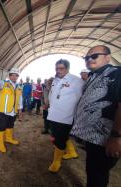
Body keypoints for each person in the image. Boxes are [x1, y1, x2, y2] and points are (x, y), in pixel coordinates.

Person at [71, 45, 121, 187]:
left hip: (106, 137)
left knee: (98, 174)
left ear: (108, 57)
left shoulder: (116, 74)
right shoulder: (93, 76)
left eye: (94, 56)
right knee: (93, 170)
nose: (89, 59)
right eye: (86, 57)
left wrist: (116, 137)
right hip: (93, 138)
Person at [47, 59, 84, 173]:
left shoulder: (77, 81)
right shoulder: (55, 80)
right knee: (61, 136)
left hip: (65, 117)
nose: (58, 71)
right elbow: (52, 95)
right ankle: (71, 152)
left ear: (67, 68)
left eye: (61, 68)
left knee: (58, 140)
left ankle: (56, 162)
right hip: (53, 114)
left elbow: (81, 99)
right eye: (56, 68)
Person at [0, 68, 23, 153]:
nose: (14, 77)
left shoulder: (19, 86)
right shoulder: (4, 83)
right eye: (12, 75)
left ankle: (8, 138)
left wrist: (20, 110)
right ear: (9, 76)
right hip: (4, 111)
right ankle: (1, 143)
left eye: (16, 75)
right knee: (2, 126)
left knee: (10, 125)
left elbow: (20, 98)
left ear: (17, 77)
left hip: (13, 111)